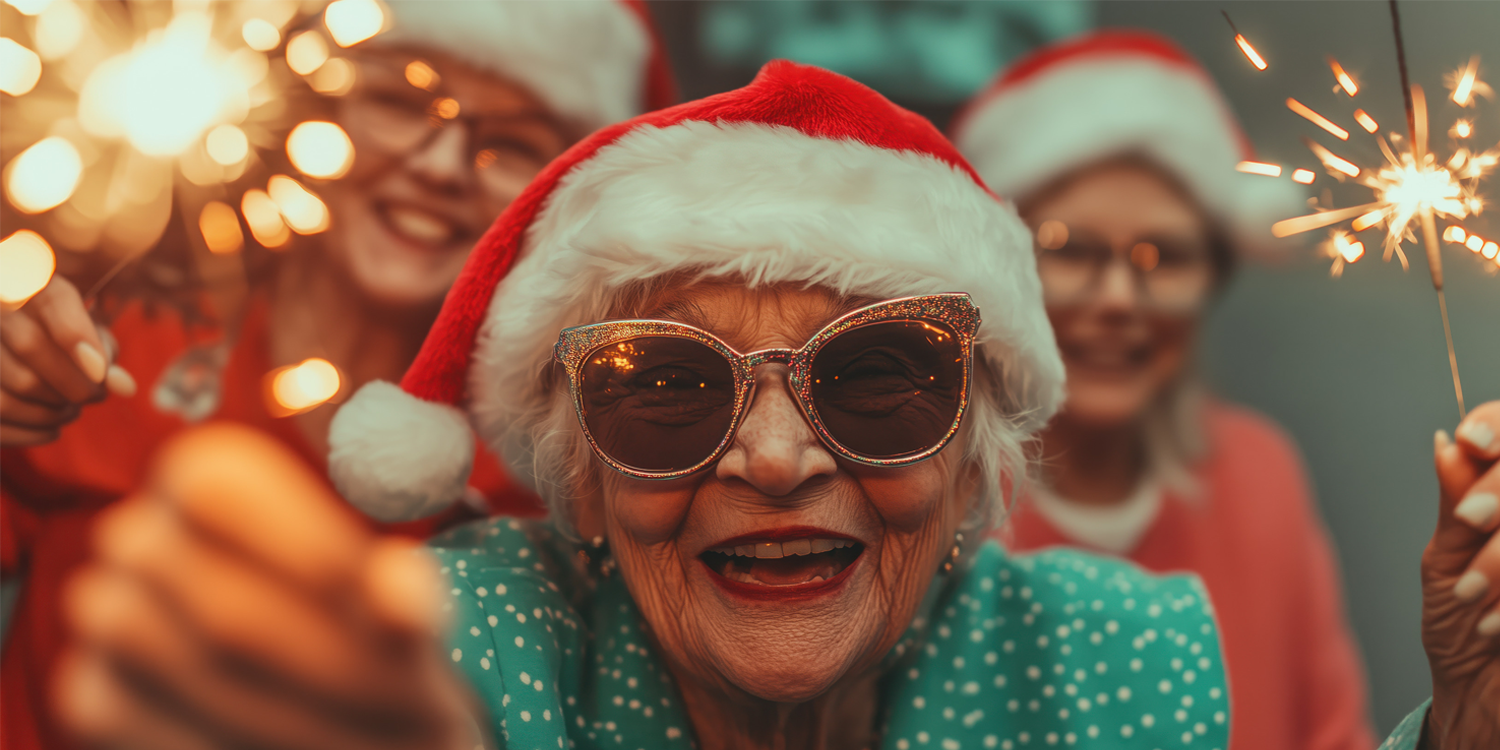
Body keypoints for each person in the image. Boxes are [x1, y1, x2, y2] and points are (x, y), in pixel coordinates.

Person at [47, 60, 1487, 750]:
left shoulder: (1110, 657)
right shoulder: (460, 645)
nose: (781, 454)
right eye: (666, 386)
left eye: (877, 373)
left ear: (979, 440)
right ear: (579, 465)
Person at [0, 1, 675, 747]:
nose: (440, 163)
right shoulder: (104, 342)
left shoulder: (554, 478)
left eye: (512, 145)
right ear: (312, 106)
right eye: (397, 100)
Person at [950, 31, 1373, 749]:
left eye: (1165, 256)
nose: (1119, 298)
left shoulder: (1259, 474)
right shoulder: (926, 501)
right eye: (1071, 249)